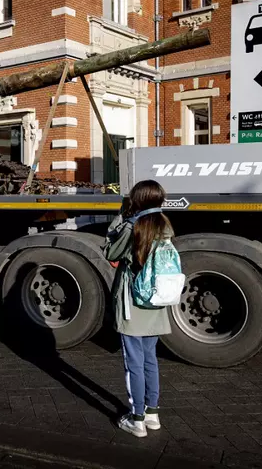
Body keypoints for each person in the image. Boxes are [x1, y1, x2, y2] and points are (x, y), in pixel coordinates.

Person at [104, 180, 174, 438]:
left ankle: (136, 420)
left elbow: (110, 251)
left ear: (138, 199)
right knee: (150, 360)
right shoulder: (165, 225)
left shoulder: (133, 226)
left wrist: (121, 217)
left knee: (133, 363)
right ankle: (152, 413)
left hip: (132, 304)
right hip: (155, 300)